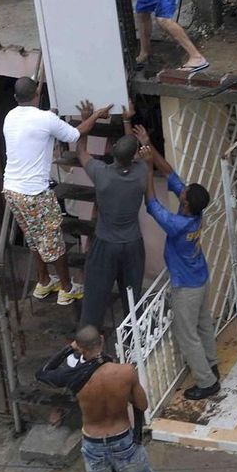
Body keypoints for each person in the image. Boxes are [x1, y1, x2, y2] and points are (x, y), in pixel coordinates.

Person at [36, 324, 177, 472]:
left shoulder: (73, 377)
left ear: (80, 348)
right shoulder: (124, 372)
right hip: (122, 439)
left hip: (93, 442)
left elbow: (43, 372)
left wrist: (66, 350)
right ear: (101, 340)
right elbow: (142, 405)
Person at [3, 77, 111, 305]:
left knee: (34, 238)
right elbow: (76, 133)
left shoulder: (10, 116)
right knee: (53, 241)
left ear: (16, 98)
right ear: (38, 95)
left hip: (12, 190)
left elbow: (41, 124)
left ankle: (43, 282)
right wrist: (93, 115)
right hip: (34, 193)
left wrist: (51, 115)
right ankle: (67, 287)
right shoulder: (45, 119)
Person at [136, 127, 220, 401]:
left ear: (185, 204)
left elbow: (151, 202)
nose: (180, 192)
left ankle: (207, 382)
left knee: (187, 335)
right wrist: (151, 146)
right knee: (204, 325)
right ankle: (211, 363)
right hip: (201, 278)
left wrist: (148, 167)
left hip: (186, 287)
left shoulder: (176, 224)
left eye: (182, 195)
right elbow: (171, 174)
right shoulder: (193, 212)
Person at [76, 103, 147, 330]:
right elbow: (133, 151)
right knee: (133, 301)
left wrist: (87, 120)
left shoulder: (102, 174)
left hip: (105, 244)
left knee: (94, 300)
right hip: (133, 244)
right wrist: (127, 121)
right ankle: (135, 347)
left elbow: (81, 152)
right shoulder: (142, 172)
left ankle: (88, 348)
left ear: (114, 148)